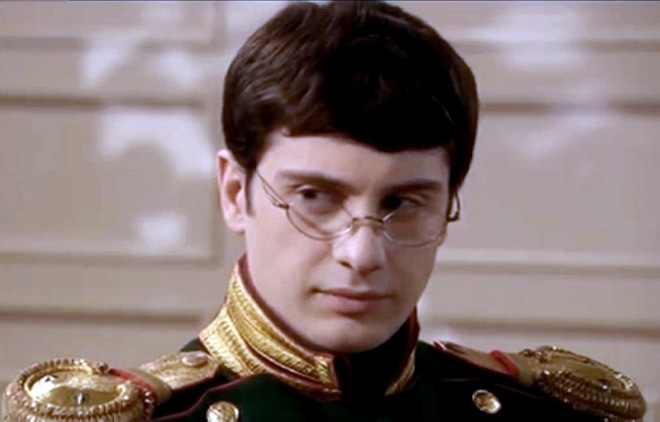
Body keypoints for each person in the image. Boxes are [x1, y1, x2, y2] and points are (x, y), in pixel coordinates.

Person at [2, 2, 647, 421]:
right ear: (235, 193)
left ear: (449, 203)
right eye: (315, 196)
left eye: (403, 203)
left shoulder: (544, 412)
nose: (362, 254)